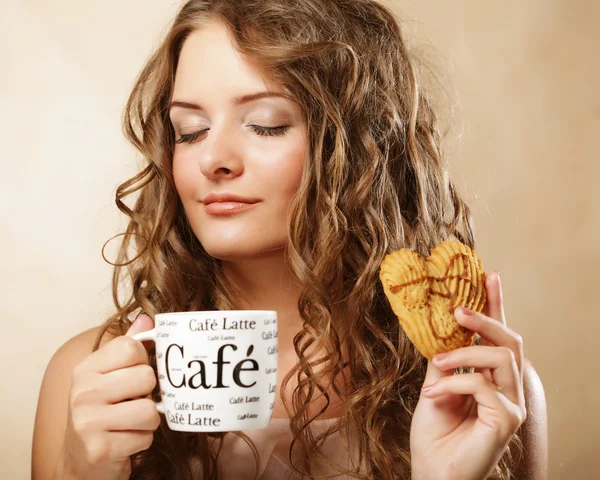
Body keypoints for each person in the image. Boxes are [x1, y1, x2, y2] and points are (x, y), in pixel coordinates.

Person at [31, 1, 548, 479]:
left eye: (266, 125)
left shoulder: (482, 392)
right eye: (189, 131)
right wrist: (81, 472)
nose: (214, 159)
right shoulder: (86, 382)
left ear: (361, 147)